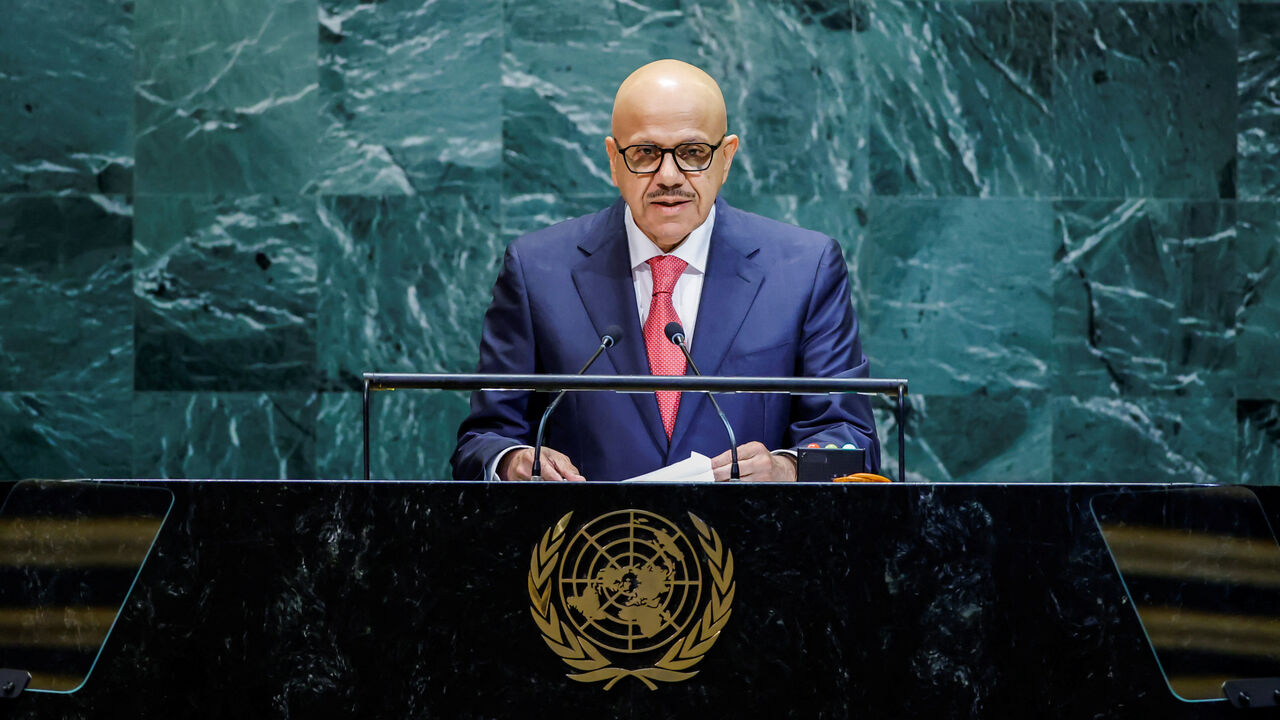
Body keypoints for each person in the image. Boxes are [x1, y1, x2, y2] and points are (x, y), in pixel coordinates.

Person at [451, 59, 879, 483]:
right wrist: (513, 461)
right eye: (645, 153)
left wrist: (787, 469)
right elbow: (482, 442)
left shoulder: (805, 268)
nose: (668, 176)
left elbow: (852, 443)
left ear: (726, 157)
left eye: (693, 153)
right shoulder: (537, 270)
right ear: (614, 160)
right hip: (588, 547)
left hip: (751, 544)